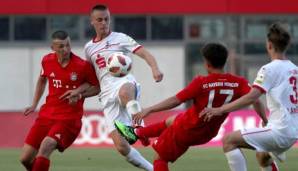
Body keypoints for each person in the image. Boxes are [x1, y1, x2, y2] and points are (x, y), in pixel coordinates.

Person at [115, 43, 267, 171]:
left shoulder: (201, 82)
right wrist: (264, 119)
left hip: (188, 129)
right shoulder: (238, 82)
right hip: (208, 132)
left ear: (206, 64)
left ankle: (136, 133)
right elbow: (256, 100)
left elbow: (176, 100)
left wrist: (149, 109)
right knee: (171, 121)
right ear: (225, 61)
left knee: (160, 158)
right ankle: (140, 133)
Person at [200, 23, 298, 171]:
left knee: (229, 140)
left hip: (279, 131)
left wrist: (220, 109)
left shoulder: (269, 69)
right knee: (262, 156)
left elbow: (251, 97)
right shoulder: (294, 69)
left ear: (269, 45)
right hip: (292, 130)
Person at [84, 4, 163, 171]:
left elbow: (144, 53)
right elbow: (94, 81)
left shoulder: (120, 38)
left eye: (106, 19)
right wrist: (79, 93)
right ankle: (152, 169)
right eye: (99, 20)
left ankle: (140, 128)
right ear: (92, 21)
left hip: (124, 82)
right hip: (106, 95)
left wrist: (154, 68)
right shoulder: (89, 48)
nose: (104, 23)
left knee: (125, 92)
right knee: (122, 146)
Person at [20, 30, 100, 171]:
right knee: (25, 159)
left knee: (46, 145)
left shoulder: (82, 66)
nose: (66, 49)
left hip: (68, 119)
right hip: (46, 115)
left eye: (68, 45)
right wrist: (34, 104)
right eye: (61, 46)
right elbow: (42, 80)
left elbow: (97, 87)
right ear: (53, 48)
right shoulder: (47, 60)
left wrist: (79, 94)